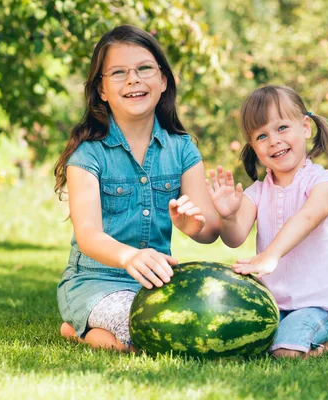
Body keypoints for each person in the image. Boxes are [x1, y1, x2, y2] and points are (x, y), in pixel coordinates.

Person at [53, 25, 219, 351]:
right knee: (146, 336)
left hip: (157, 284)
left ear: (163, 80)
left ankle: (82, 328)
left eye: (144, 68)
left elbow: (210, 229)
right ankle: (79, 325)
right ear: (101, 89)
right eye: (118, 72)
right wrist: (129, 256)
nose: (133, 79)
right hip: (95, 282)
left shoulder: (183, 149)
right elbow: (88, 235)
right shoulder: (87, 154)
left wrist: (193, 225)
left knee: (196, 327)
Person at [205, 85, 328, 358]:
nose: (274, 140)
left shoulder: (324, 182)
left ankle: (321, 342)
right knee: (239, 344)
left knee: (284, 353)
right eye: (261, 135)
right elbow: (235, 236)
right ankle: (296, 335)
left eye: (282, 128)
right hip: (272, 304)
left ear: (305, 128)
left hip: (318, 303)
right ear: (253, 147)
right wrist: (227, 216)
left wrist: (270, 255)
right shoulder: (256, 193)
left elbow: (308, 216)